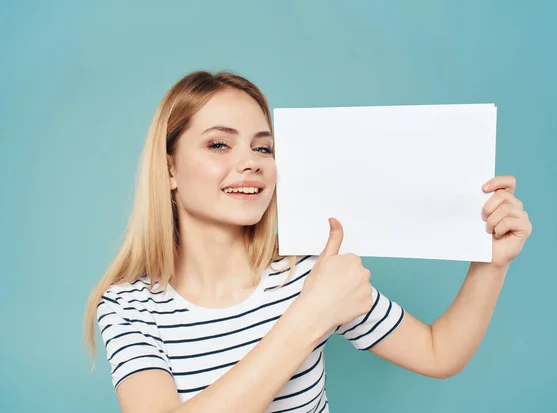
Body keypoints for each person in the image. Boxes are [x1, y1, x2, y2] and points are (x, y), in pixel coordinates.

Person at [83, 70, 532, 413]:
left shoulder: (307, 269)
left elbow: (439, 353)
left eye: (263, 148)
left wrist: (491, 264)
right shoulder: (127, 306)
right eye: (219, 145)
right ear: (169, 170)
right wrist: (311, 316)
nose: (251, 163)